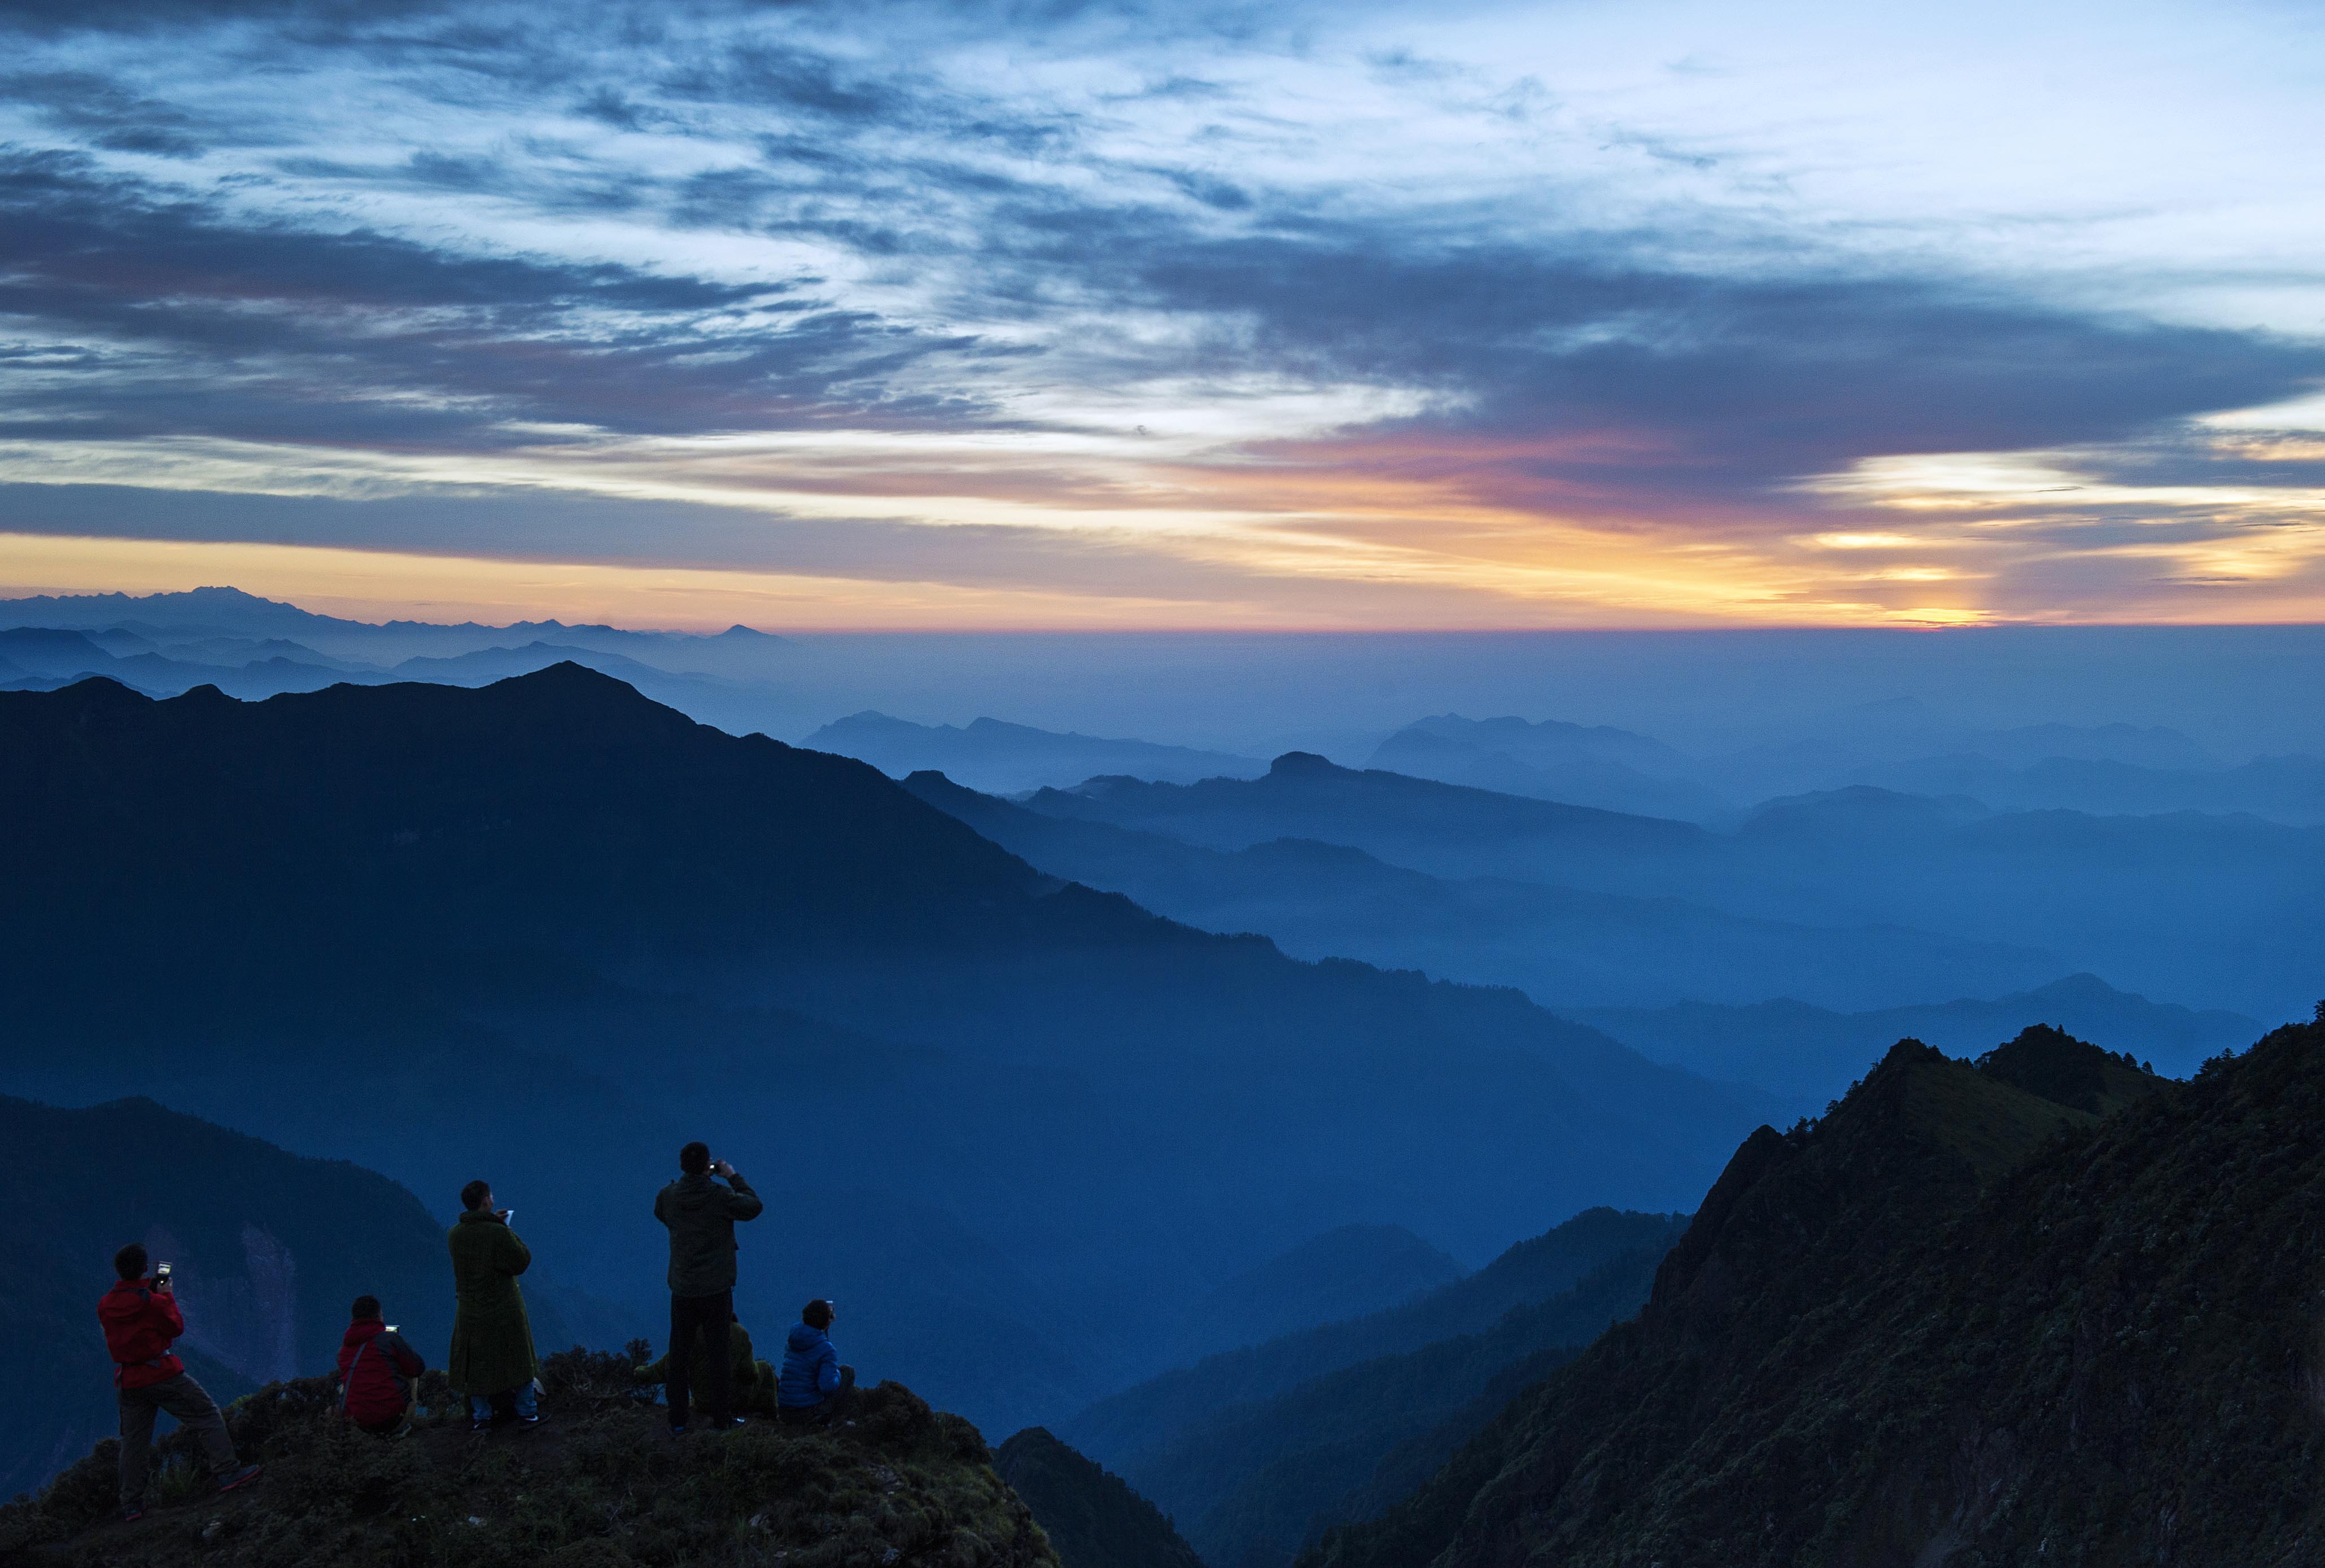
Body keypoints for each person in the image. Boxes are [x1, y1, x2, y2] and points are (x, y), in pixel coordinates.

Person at [99, 1243, 261, 1521]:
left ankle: (132, 1504)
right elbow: (176, 1327)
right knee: (206, 1414)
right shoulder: (153, 1302)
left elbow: (127, 1316)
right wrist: (166, 1295)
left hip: (129, 1380)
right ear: (144, 1268)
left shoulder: (106, 1305)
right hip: (161, 1373)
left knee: (134, 1443)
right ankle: (228, 1471)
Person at [652, 1141, 763, 1434]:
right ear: (708, 1166)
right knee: (719, 1354)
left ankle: (677, 1420)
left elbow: (660, 1213)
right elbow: (754, 1206)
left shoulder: (669, 1196)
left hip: (683, 1287)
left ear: (681, 1166)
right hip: (716, 1288)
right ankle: (722, 1420)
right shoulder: (720, 1197)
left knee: (679, 1353)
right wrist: (732, 1176)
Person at [447, 1180, 541, 1432]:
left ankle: (482, 1416)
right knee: (518, 1357)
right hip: (503, 1307)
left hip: (469, 1311)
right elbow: (521, 1261)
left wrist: (494, 1224)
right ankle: (528, 1413)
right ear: (486, 1201)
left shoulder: (454, 1235)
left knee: (476, 1363)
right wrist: (503, 1228)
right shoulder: (497, 1233)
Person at [632, 1309, 779, 1417]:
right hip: (734, 1401)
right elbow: (750, 1374)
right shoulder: (739, 1333)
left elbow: (667, 1367)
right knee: (764, 1368)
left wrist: (640, 1372)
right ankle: (771, 1415)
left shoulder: (692, 1334)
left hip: (704, 1403)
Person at [336, 1295, 426, 1436]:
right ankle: (405, 1427)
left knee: (344, 1385)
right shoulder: (389, 1339)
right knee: (412, 1376)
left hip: (358, 1424)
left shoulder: (344, 1351)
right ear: (379, 1317)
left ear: (353, 1320)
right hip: (391, 1420)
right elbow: (418, 1367)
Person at [777, 1299, 856, 1427]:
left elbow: (813, 1344)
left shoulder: (795, 1336)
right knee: (848, 1372)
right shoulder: (827, 1350)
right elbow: (827, 1386)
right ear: (827, 1321)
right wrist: (836, 1373)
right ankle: (837, 1423)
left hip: (784, 1411)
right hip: (806, 1413)